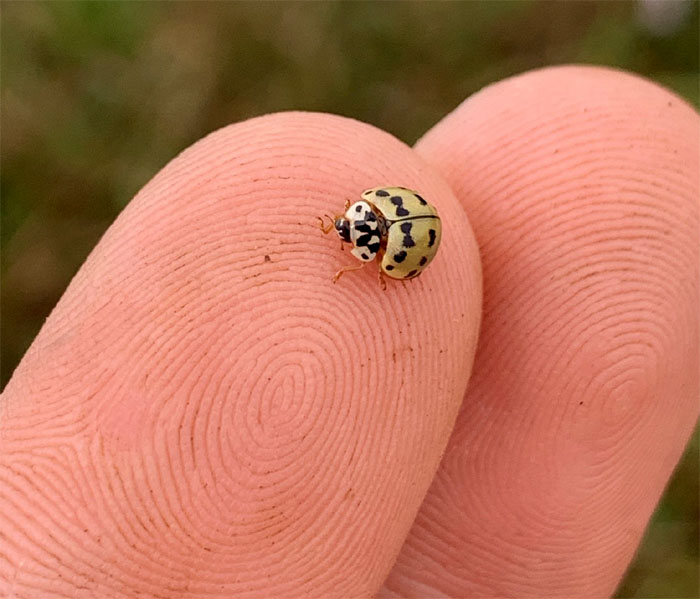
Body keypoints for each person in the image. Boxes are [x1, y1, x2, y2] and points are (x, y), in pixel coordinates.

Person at [1, 65, 697, 598]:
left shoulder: (379, 253)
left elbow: (391, 254)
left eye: (352, 232)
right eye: (352, 228)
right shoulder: (366, 226)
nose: (346, 233)